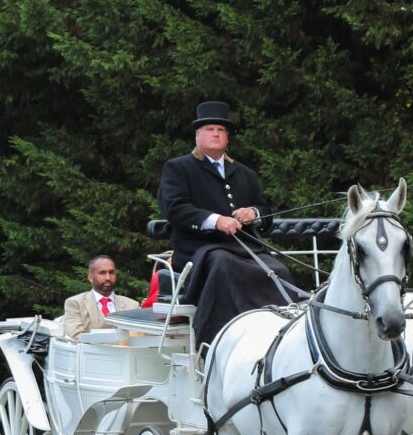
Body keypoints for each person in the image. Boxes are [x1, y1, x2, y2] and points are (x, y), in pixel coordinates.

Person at [157, 101, 299, 349]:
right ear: (197, 135)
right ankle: (222, 339)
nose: (215, 134)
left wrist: (253, 213)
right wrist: (216, 220)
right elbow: (175, 209)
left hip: (244, 248)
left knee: (280, 271)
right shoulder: (179, 168)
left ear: (227, 138)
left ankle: (281, 337)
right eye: (209, 129)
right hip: (199, 250)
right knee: (224, 265)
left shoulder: (244, 173)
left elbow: (266, 212)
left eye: (221, 130)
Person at [61, 255, 127, 339]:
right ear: (90, 277)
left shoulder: (132, 305)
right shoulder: (75, 303)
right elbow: (76, 335)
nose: (108, 277)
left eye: (111, 272)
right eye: (102, 273)